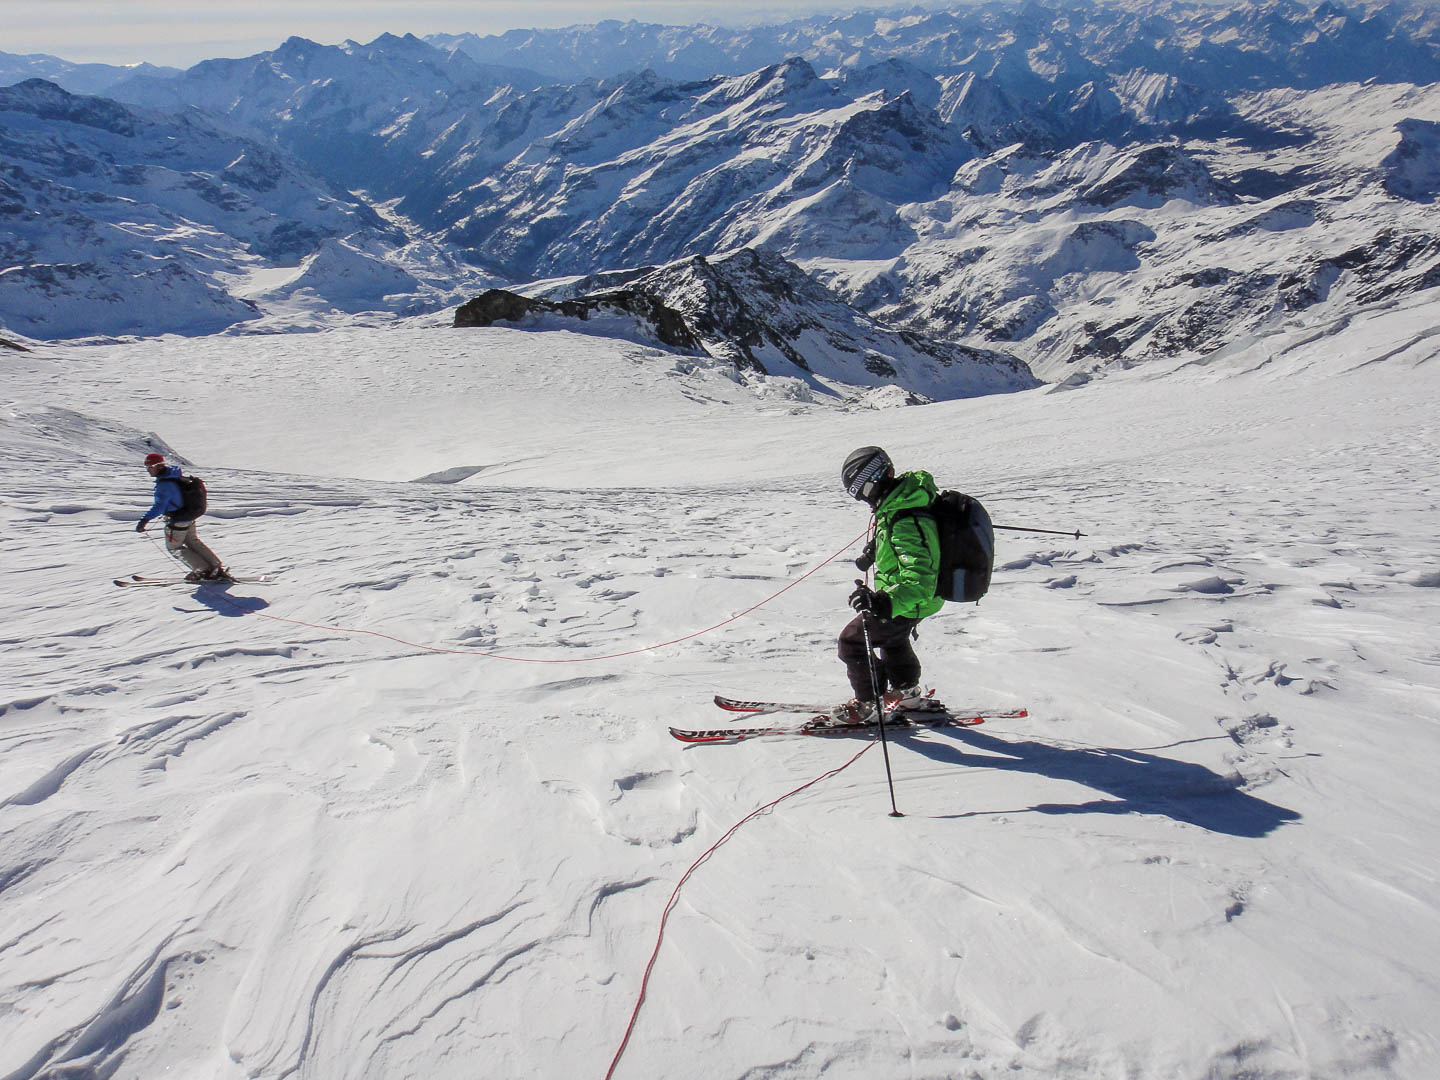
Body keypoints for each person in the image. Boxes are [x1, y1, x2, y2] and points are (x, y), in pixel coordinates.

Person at [834, 445, 945, 722]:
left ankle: (868, 706)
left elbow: (920, 578)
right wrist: (875, 551)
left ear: (873, 482)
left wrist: (883, 602)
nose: (865, 500)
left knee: (852, 642)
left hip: (910, 598)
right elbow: (904, 541)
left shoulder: (905, 517)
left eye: (863, 493)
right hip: (915, 600)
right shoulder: (901, 504)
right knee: (894, 639)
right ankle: (907, 695)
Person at [136, 453, 229, 582]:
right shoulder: (175, 477)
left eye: (150, 467)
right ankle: (215, 567)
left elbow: (160, 506)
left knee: (174, 547)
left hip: (177, 520)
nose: (148, 470)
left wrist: (144, 520)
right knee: (193, 542)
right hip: (189, 516)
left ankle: (202, 570)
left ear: (158, 466)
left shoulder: (164, 484)